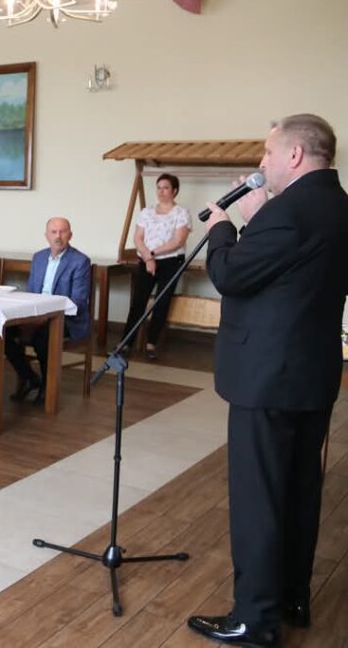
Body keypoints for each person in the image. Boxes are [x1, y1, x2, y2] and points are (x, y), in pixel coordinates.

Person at [187, 115, 348, 648]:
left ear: (295, 155)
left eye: (267, 152)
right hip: (313, 372)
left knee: (259, 496)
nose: (262, 163)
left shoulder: (288, 212)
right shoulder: (338, 205)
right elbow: (293, 273)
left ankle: (254, 618)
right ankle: (292, 596)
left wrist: (224, 228)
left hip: (267, 376)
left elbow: (232, 274)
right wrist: (261, 220)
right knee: (299, 489)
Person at [3, 217, 91, 404]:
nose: (58, 236)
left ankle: (47, 386)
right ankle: (29, 377)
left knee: (42, 337)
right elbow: (31, 292)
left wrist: (48, 315)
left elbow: (79, 301)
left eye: (62, 232)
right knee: (3, 331)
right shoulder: (39, 257)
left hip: (65, 318)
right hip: (36, 314)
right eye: (53, 232)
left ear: (70, 235)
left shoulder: (80, 261)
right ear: (46, 235)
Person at [120, 173, 191, 359]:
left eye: (166, 188)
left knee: (162, 302)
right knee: (138, 302)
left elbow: (178, 241)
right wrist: (148, 257)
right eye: (159, 187)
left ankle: (151, 344)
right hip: (146, 260)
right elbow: (138, 238)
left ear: (174, 190)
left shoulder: (181, 213)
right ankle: (126, 343)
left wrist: (152, 254)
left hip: (171, 262)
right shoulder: (146, 212)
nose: (161, 191)